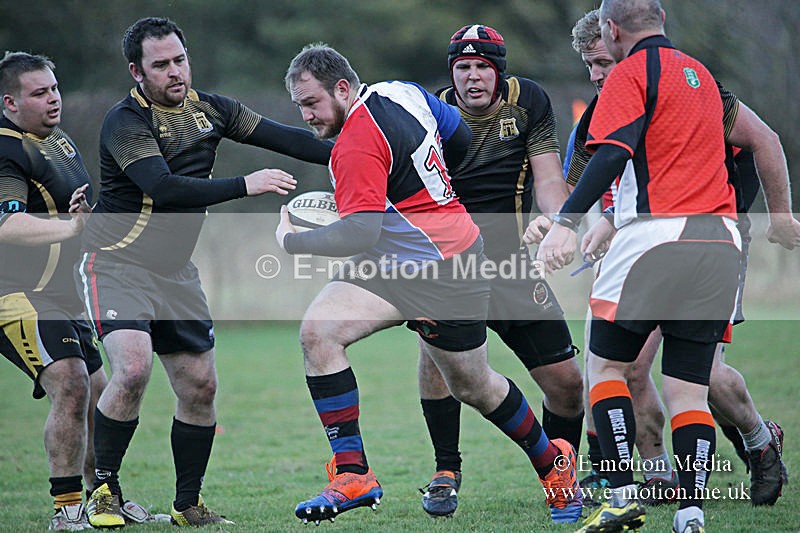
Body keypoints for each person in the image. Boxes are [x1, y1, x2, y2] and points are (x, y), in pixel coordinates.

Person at [277, 42, 582, 525]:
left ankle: (554, 465)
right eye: (300, 106)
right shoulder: (399, 92)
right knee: (319, 332)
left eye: (312, 103)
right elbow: (456, 135)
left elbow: (359, 231)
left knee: (474, 387)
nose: (308, 115)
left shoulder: (356, 144)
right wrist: (428, 195)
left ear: (341, 88)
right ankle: (353, 473)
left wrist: (292, 242)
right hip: (396, 261)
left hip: (446, 268)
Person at [75, 17, 332, 528]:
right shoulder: (125, 122)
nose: (175, 72)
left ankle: (187, 505)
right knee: (131, 369)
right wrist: (246, 184)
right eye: (161, 64)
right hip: (117, 262)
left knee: (200, 388)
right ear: (137, 71)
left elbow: (291, 140)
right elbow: (164, 188)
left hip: (174, 272)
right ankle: (102, 492)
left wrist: (372, 153)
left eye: (180, 59)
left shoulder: (213, 110)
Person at [561, 8, 792, 510]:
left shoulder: (687, 85)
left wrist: (780, 217)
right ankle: (662, 478)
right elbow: (608, 180)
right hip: (646, 243)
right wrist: (599, 221)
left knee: (700, 378)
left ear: (616, 38)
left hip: (703, 235)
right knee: (636, 367)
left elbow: (765, 140)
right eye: (589, 66)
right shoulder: (605, 109)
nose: (600, 74)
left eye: (603, 60)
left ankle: (758, 438)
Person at [537, 0, 746, 530]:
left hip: (654, 236)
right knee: (687, 391)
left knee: (604, 367)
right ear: (662, 22)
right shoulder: (699, 73)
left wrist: (565, 221)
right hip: (721, 243)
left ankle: (623, 493)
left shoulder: (631, 74)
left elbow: (610, 154)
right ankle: (692, 512)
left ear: (610, 29)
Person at [414, 24, 584, 519]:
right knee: (438, 363)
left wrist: (554, 220)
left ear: (498, 70)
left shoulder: (528, 100)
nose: (472, 77)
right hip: (450, 265)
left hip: (512, 264)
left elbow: (550, 175)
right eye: (462, 67)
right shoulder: (430, 113)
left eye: (482, 67)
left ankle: (562, 476)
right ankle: (446, 471)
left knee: (568, 384)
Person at [0, 51, 168, 531]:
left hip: (61, 293)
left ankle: (102, 500)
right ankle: (66, 510)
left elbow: (76, 214)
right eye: (39, 93)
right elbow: (6, 223)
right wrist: (70, 229)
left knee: (97, 391)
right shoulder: (6, 150)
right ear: (9, 102)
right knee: (71, 382)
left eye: (54, 88)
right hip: (16, 293)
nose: (53, 99)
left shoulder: (59, 142)